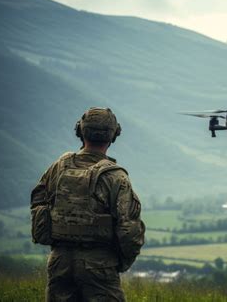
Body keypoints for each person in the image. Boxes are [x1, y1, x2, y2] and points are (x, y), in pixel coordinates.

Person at [30, 107, 145, 301]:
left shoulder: (59, 166)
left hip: (60, 260)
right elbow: (129, 230)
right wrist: (119, 262)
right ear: (113, 135)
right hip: (99, 264)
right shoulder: (116, 177)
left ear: (80, 131)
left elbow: (38, 200)